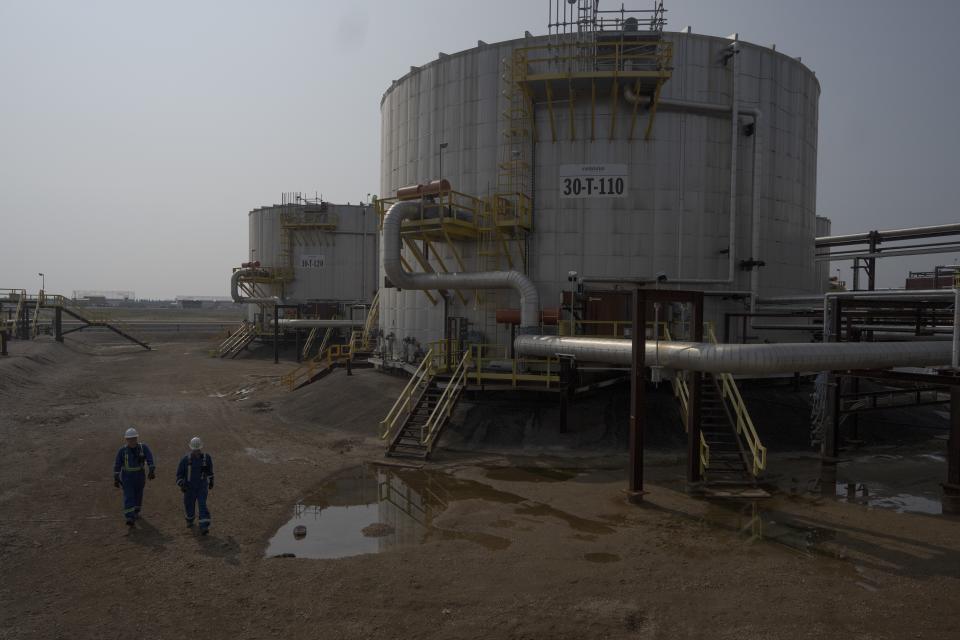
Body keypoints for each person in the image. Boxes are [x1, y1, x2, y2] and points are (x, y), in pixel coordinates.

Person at [113, 427, 156, 526]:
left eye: (133, 438)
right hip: (127, 477)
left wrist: (151, 469)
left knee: (138, 493)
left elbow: (149, 457)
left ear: (137, 438)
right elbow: (117, 463)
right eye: (130, 439)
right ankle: (129, 516)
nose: (132, 441)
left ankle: (136, 511)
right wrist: (116, 476)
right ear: (126, 440)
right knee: (128, 495)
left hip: (139, 475)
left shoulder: (143, 447)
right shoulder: (122, 451)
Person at [176, 436, 214, 534]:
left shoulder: (206, 458)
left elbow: (210, 471)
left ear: (200, 448)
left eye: (198, 449)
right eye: (195, 450)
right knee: (189, 505)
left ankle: (204, 526)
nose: (197, 452)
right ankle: (189, 519)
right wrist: (182, 484)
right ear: (191, 449)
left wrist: (211, 480)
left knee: (202, 505)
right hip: (189, 488)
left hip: (202, 486)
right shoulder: (185, 460)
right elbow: (179, 475)